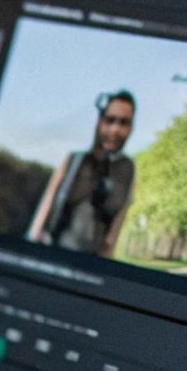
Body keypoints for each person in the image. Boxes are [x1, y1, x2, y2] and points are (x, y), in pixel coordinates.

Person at [27, 91, 136, 255]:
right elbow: (42, 216)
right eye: (110, 120)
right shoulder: (74, 162)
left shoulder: (128, 171)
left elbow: (112, 239)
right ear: (100, 122)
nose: (115, 129)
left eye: (123, 123)